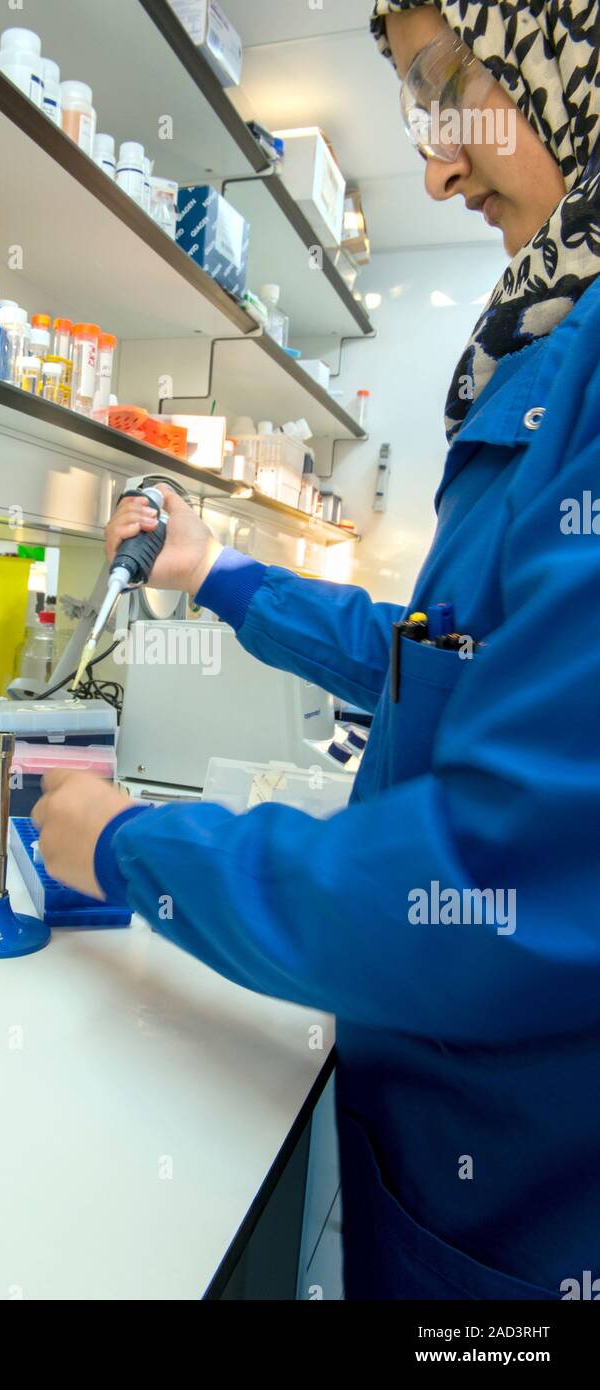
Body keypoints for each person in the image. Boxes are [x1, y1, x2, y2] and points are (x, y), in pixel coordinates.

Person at [33, 0, 600, 1300]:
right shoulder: (548, 362)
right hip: (451, 1142)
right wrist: (214, 573)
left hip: (525, 1199)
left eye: (440, 82)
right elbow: (429, 658)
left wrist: (126, 844)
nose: (437, 163)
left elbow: (486, 881)